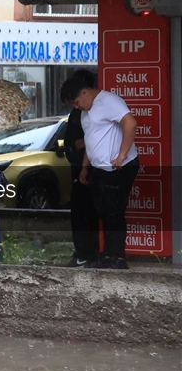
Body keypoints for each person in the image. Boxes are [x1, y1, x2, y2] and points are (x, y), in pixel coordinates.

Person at [60, 75, 139, 269]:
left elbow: (130, 123)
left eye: (76, 102)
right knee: (102, 210)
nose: (76, 107)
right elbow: (91, 141)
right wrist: (85, 168)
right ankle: (108, 255)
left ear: (85, 92)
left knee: (113, 212)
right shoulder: (86, 112)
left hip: (118, 167)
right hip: (99, 168)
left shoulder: (109, 101)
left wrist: (122, 154)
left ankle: (117, 257)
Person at [60, 69, 99, 267]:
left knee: (85, 213)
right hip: (81, 168)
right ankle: (85, 252)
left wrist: (86, 142)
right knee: (82, 212)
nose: (76, 105)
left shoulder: (91, 110)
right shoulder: (80, 111)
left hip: (89, 169)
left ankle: (87, 253)